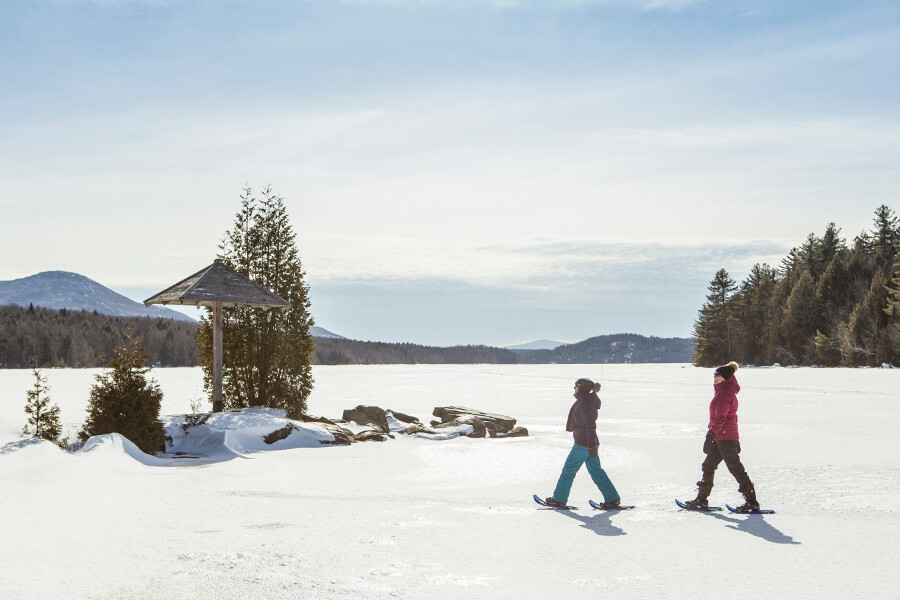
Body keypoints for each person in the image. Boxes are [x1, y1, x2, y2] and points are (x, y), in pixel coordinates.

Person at [683, 361, 760, 512]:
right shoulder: (722, 392)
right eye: (714, 375)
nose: (715, 377)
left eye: (717, 375)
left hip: (725, 437)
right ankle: (702, 499)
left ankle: (752, 502)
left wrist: (711, 434)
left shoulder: (724, 393)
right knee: (708, 465)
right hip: (721, 436)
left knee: (735, 468)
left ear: (725, 377)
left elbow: (721, 418)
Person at [544, 377, 621, 508]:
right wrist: (592, 444)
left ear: (581, 388)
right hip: (590, 443)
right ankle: (612, 498)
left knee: (568, 471)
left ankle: (558, 499)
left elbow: (589, 424)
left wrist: (590, 444)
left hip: (583, 444)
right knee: (596, 471)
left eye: (576, 386)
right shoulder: (587, 401)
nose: (574, 389)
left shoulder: (584, 403)